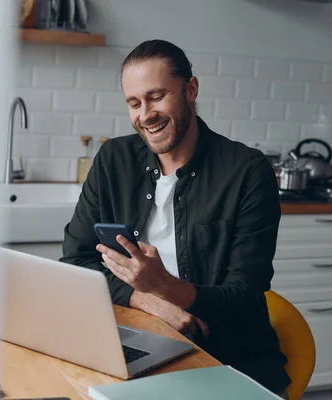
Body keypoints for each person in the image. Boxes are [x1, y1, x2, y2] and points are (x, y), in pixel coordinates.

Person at [60, 39, 291, 396]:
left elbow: (244, 296)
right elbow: (77, 260)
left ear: (191, 90)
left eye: (156, 97)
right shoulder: (113, 160)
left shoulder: (246, 171)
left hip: (229, 355)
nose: (145, 115)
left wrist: (166, 287)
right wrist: (150, 299)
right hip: (144, 333)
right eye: (134, 103)